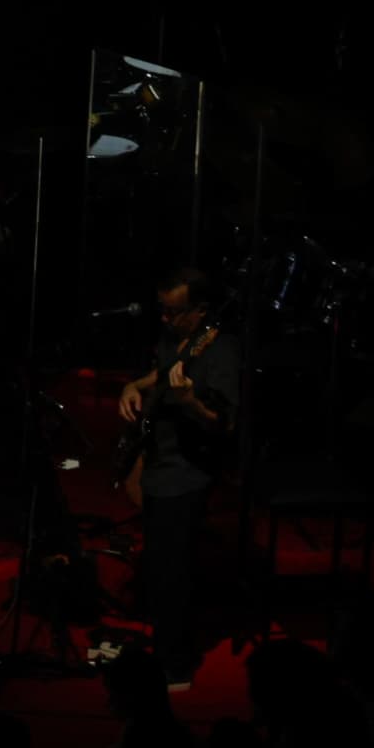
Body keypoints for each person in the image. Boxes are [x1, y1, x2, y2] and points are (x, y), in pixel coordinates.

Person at [117, 265, 241, 687]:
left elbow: (223, 422)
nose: (166, 320)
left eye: (174, 312)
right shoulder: (178, 338)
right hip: (160, 466)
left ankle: (177, 665)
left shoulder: (220, 351)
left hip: (186, 474)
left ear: (200, 311)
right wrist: (135, 384)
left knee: (173, 572)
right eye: (163, 311)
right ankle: (164, 649)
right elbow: (163, 371)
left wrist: (190, 402)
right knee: (157, 565)